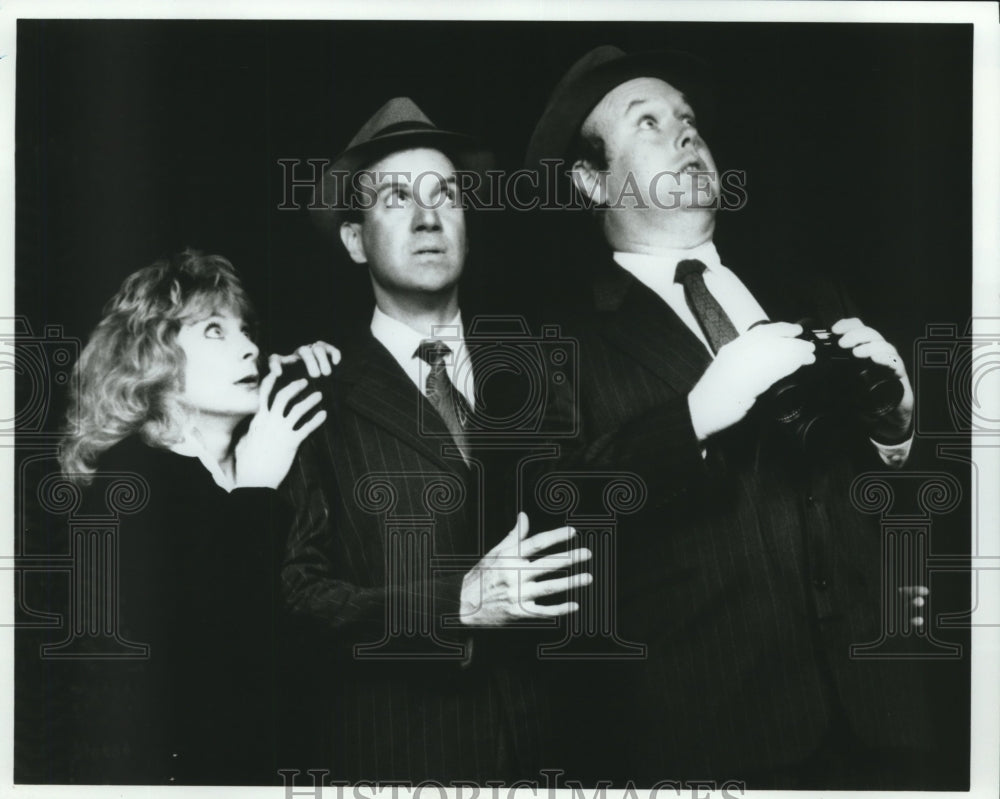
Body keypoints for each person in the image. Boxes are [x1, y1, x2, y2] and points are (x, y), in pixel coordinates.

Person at [522, 46, 935, 788]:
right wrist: (694, 416)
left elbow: (883, 512)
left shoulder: (810, 290)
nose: (684, 134)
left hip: (884, 724)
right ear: (589, 179)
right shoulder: (557, 345)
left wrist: (897, 431)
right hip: (717, 745)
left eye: (686, 119)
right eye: (646, 122)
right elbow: (559, 514)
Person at [281, 97, 591, 784]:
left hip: (561, 754)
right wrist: (459, 604)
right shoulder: (311, 399)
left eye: (444, 194)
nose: (428, 216)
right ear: (354, 239)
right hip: (403, 759)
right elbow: (299, 600)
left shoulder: (540, 369)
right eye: (396, 197)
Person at [56, 249, 330, 784]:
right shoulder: (126, 489)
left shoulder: (276, 456)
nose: (250, 346)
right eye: (213, 331)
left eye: (246, 330)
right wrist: (254, 492)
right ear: (150, 355)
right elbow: (212, 667)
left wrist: (332, 368)